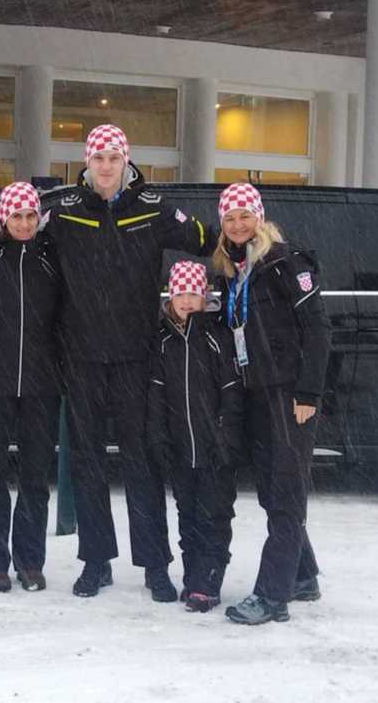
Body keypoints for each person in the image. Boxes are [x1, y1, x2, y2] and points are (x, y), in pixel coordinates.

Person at [43, 124, 214, 600]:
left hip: (137, 358)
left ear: (126, 161)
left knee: (143, 462)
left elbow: (206, 240)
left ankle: (155, 565)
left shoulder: (152, 208)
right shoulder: (65, 211)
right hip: (82, 358)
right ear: (87, 162)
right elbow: (15, 237)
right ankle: (96, 561)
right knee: (88, 463)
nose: (106, 166)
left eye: (113, 158)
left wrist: (252, 247)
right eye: (98, 158)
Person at [210, 182, 332, 625]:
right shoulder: (233, 270)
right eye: (229, 218)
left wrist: (308, 393)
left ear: (259, 218)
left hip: (288, 394)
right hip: (256, 394)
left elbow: (317, 330)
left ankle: (271, 595)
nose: (238, 224)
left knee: (286, 494)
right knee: (272, 491)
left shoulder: (285, 263)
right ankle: (303, 576)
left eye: (245, 215)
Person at [0, 182, 61, 593]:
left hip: (41, 384)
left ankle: (30, 561)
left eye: (29, 216)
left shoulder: (51, 263)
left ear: (39, 219)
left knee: (35, 477)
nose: (23, 224)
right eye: (16, 217)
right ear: (2, 219)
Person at [147, 260, 243, 613]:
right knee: (187, 515)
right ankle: (193, 578)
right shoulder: (162, 342)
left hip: (214, 449)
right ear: (170, 298)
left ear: (205, 297)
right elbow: (156, 395)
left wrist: (226, 438)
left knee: (214, 516)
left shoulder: (217, 338)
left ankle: (209, 581)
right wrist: (158, 437)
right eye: (180, 294)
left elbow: (232, 394)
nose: (186, 301)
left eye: (193, 294)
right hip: (180, 449)